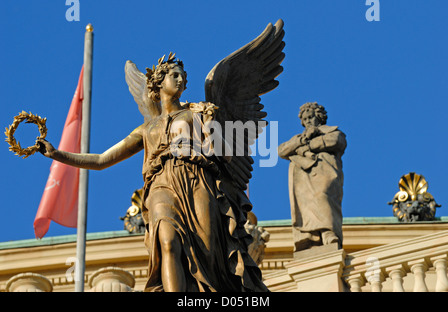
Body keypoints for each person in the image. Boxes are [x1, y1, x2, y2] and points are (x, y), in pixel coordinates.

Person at [38, 55, 268, 292]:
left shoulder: (196, 114)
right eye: (174, 75)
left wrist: (210, 125)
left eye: (183, 76)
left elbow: (226, 156)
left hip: (198, 182)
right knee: (167, 241)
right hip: (162, 184)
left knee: (208, 252)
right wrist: (57, 154)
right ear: (159, 82)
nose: (181, 80)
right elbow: (101, 160)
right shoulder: (148, 128)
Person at [278, 102, 347, 252]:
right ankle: (310, 236)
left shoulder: (332, 131)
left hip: (324, 172)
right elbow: (282, 150)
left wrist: (308, 146)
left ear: (319, 117)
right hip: (303, 179)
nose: (308, 121)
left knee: (323, 196)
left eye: (311, 117)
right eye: (305, 119)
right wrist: (302, 141)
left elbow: (336, 141)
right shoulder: (298, 138)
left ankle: (328, 233)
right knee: (306, 204)